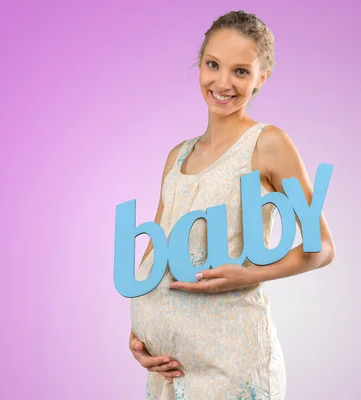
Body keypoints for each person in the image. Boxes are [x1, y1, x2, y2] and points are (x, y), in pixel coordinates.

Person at [128, 10, 336, 400]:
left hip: (233, 364)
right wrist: (140, 333)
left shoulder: (268, 143)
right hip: (169, 369)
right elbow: (155, 255)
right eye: (212, 65)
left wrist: (250, 274)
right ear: (200, 64)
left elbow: (322, 247)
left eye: (241, 71)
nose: (222, 83)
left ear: (262, 77)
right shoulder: (177, 156)